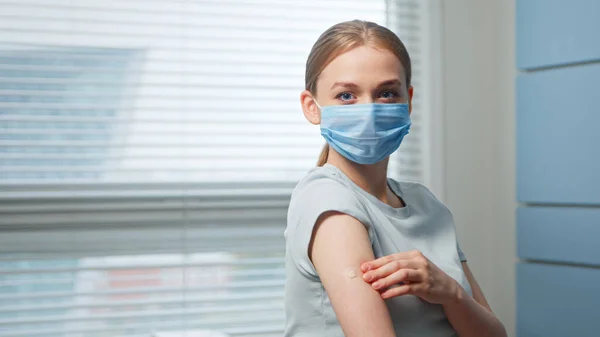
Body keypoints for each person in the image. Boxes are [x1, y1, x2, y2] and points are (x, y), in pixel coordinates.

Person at [283, 20, 507, 337]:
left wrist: (450, 292)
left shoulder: (426, 204)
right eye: (346, 96)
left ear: (408, 100)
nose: (370, 111)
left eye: (386, 93)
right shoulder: (327, 200)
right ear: (312, 107)